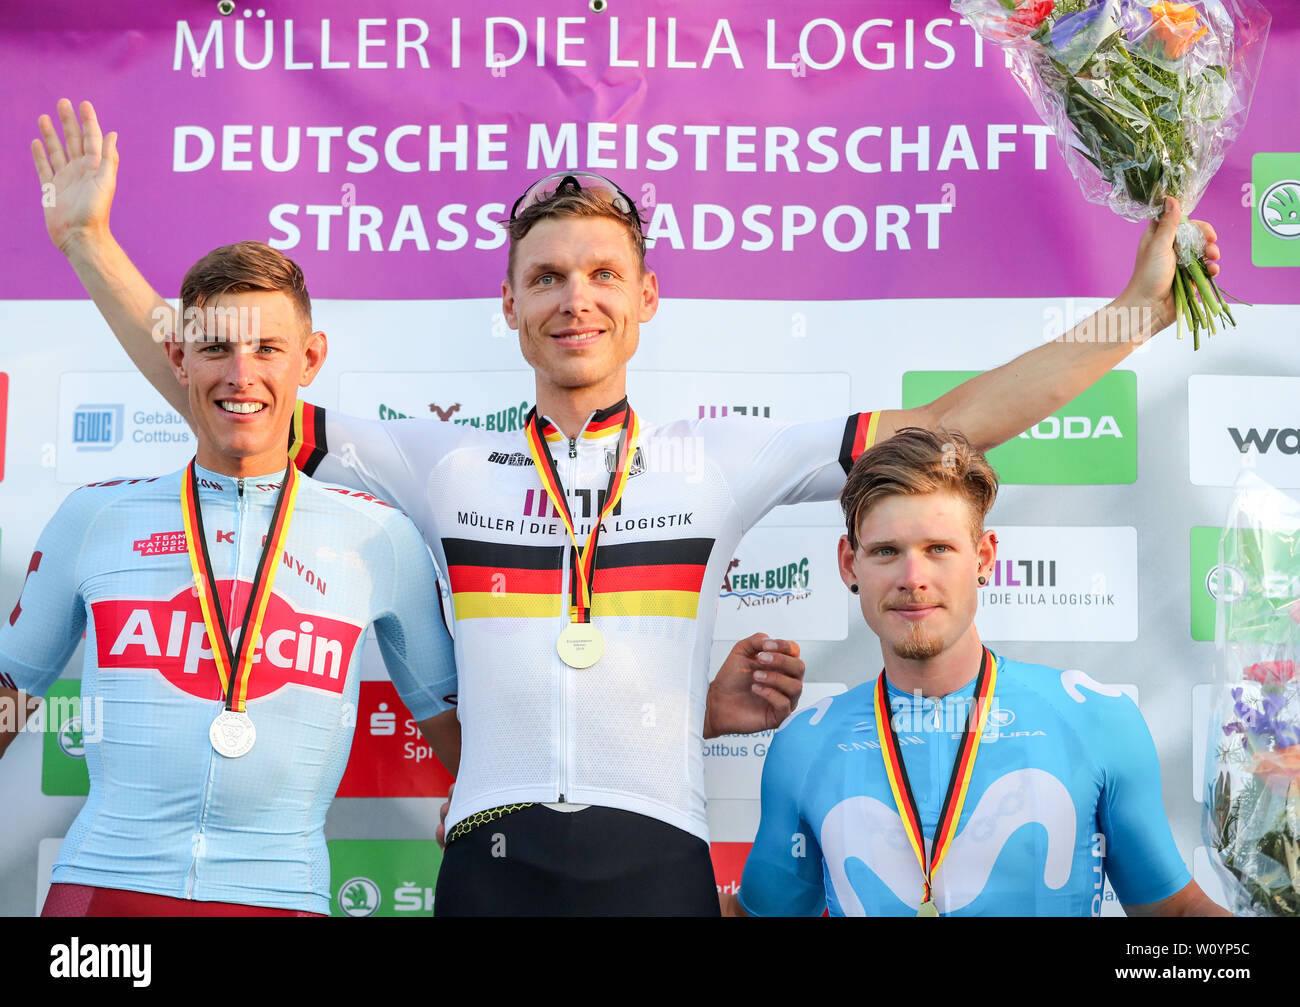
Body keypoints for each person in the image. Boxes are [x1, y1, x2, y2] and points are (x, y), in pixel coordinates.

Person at [32, 98, 1219, 915]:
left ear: (648, 297)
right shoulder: (437, 462)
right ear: (506, 304)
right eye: (545, 275)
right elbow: (229, 390)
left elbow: (949, 429)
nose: (574, 297)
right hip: (489, 866)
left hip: (656, 862)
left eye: (602, 273)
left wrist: (1134, 313)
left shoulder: (719, 462)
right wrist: (91, 244)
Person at [0, 241, 461, 917]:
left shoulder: (378, 538)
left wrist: (489, 810)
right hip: (105, 892)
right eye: (216, 348)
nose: (241, 374)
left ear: (309, 358)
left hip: (281, 895)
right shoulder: (97, 516)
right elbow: (10, 693)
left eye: (267, 349)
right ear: (180, 359)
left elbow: (456, 731)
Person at [728, 428, 1227, 916]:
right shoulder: (806, 745)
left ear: (984, 558)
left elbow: (1175, 917)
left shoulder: (1095, 720)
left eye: (938, 549)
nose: (912, 579)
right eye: (886, 551)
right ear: (849, 564)